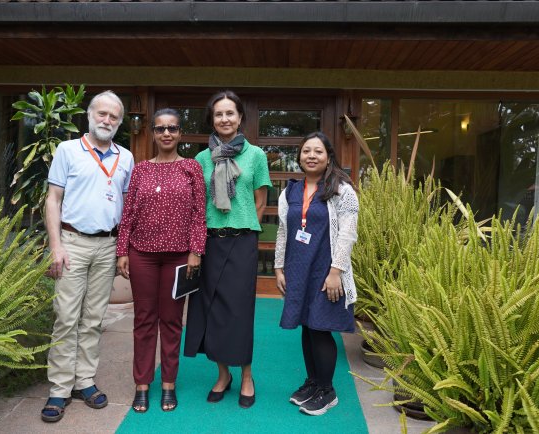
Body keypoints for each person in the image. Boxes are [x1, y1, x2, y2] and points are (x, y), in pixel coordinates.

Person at [40, 90, 134, 423]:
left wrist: (123, 249)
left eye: (114, 116)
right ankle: (59, 389)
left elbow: (126, 207)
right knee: (66, 317)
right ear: (90, 115)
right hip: (73, 243)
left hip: (107, 246)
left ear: (119, 122)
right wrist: (56, 245)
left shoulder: (126, 156)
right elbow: (53, 199)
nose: (107, 120)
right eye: (102, 114)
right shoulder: (68, 150)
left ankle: (84, 381)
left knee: (93, 318)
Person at [183, 90, 271, 409]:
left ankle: (246, 375)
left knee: (239, 310)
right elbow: (196, 205)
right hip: (208, 241)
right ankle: (223, 374)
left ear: (240, 117)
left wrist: (242, 225)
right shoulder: (200, 160)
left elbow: (260, 202)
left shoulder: (256, 156)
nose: (224, 119)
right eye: (219, 114)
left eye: (230, 113)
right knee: (211, 309)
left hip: (242, 240)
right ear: (212, 119)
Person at [116, 108, 207, 413]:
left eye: (172, 128)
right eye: (160, 129)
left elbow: (199, 214)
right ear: (153, 134)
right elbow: (127, 214)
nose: (166, 133)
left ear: (180, 133)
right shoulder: (141, 170)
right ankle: (142, 384)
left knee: (170, 321)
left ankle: (169, 383)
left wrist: (196, 251)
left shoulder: (191, 168)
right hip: (142, 254)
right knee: (143, 320)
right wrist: (122, 251)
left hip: (179, 257)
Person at [274, 131, 359, 416]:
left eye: (318, 151)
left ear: (328, 156)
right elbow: (285, 231)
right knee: (307, 327)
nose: (312, 155)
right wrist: (278, 267)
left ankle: (327, 391)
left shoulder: (341, 189)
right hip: (300, 269)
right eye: (306, 150)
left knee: (321, 328)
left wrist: (336, 272)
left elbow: (347, 234)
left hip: (326, 271)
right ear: (299, 156)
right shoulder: (291, 191)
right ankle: (313, 382)